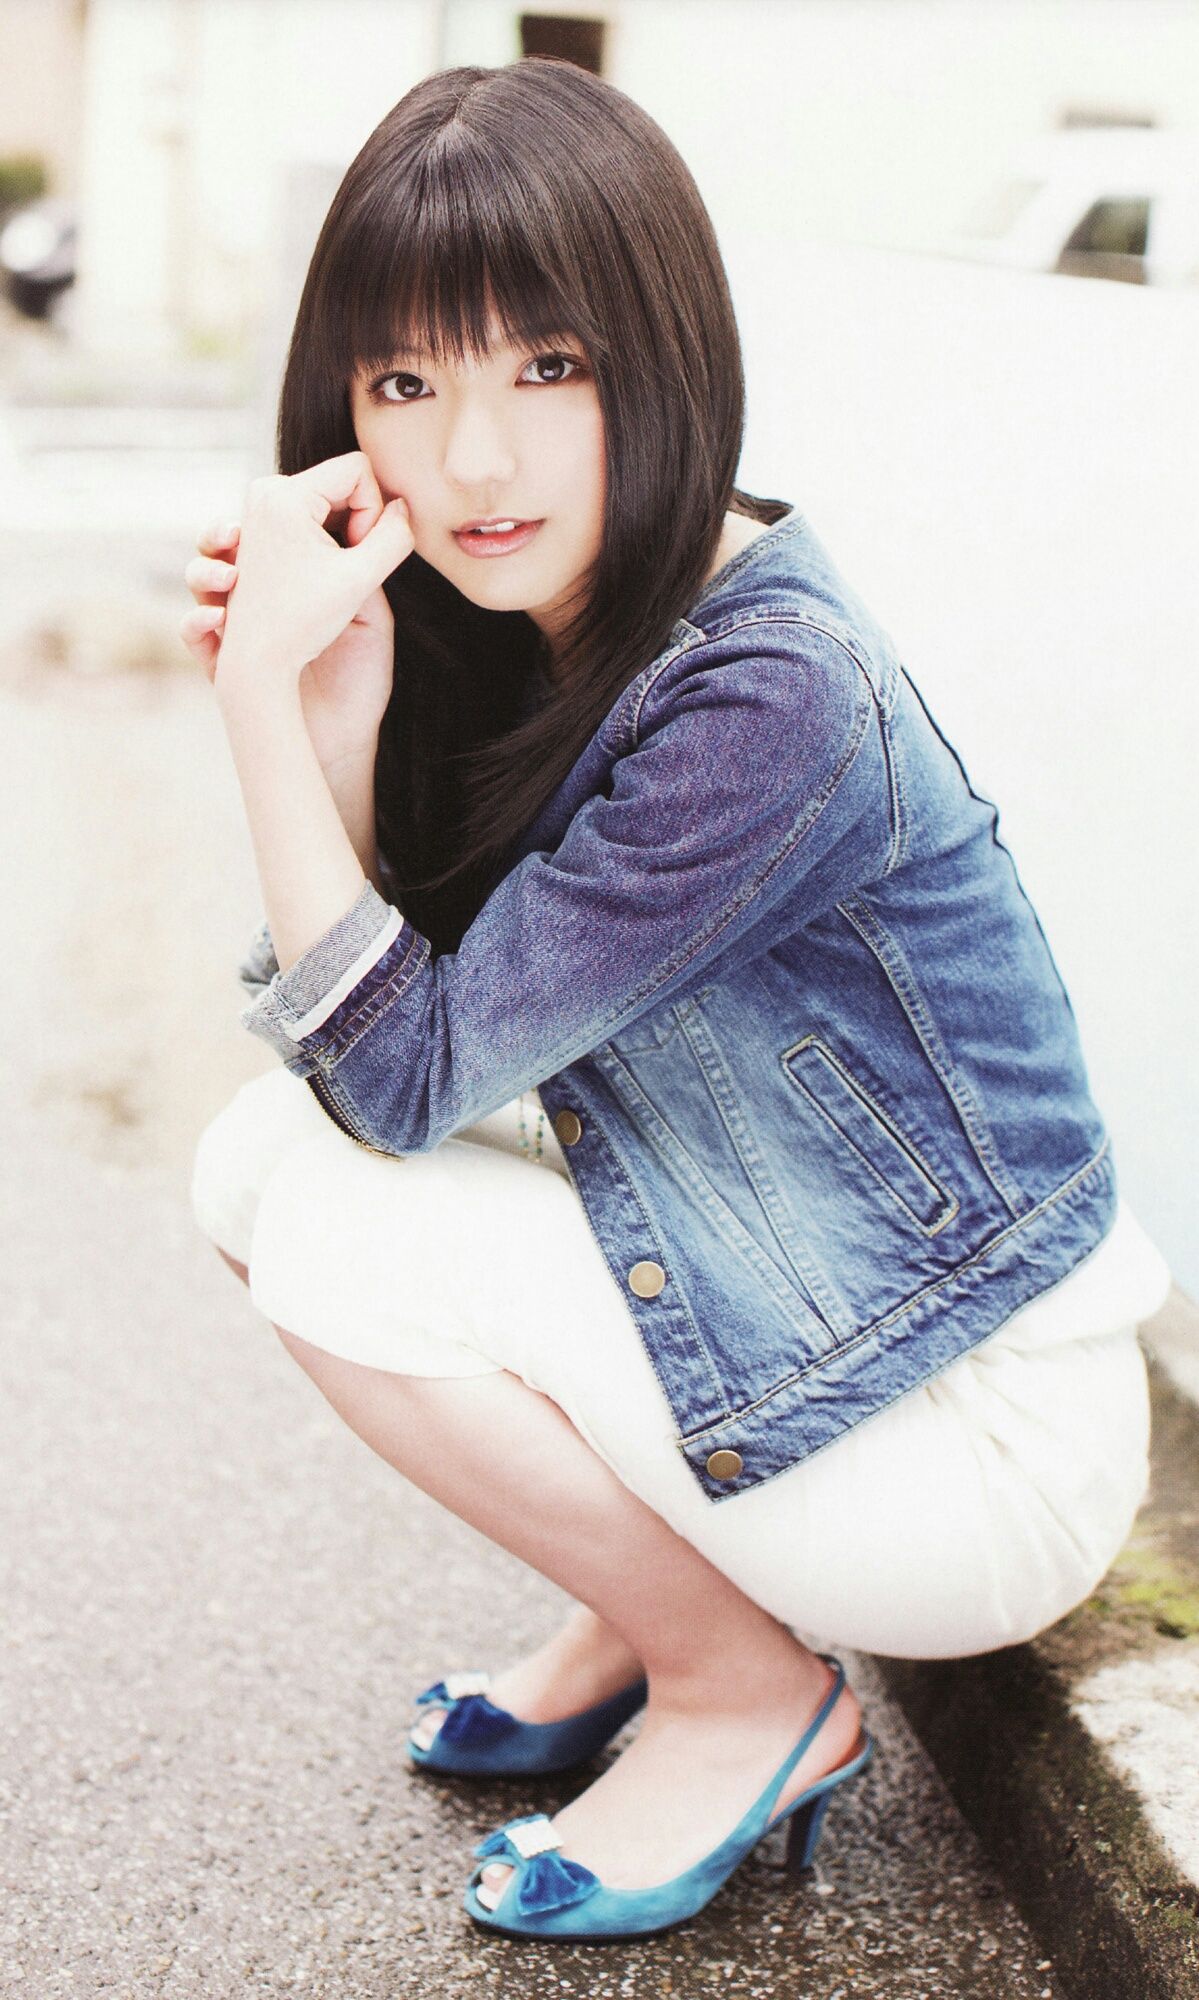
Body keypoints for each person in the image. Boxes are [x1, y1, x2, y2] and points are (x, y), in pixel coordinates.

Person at [185, 57, 1171, 1942]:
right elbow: (376, 1039)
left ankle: (744, 1692)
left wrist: (250, 710)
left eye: (548, 367)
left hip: (978, 1441)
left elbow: (393, 1085)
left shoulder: (769, 694)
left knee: (332, 1215)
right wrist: (333, 721)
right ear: (344, 419)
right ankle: (652, 1618)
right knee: (257, 1163)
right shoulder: (533, 629)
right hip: (811, 1327)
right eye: (410, 384)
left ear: (667, 353)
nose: (476, 463)